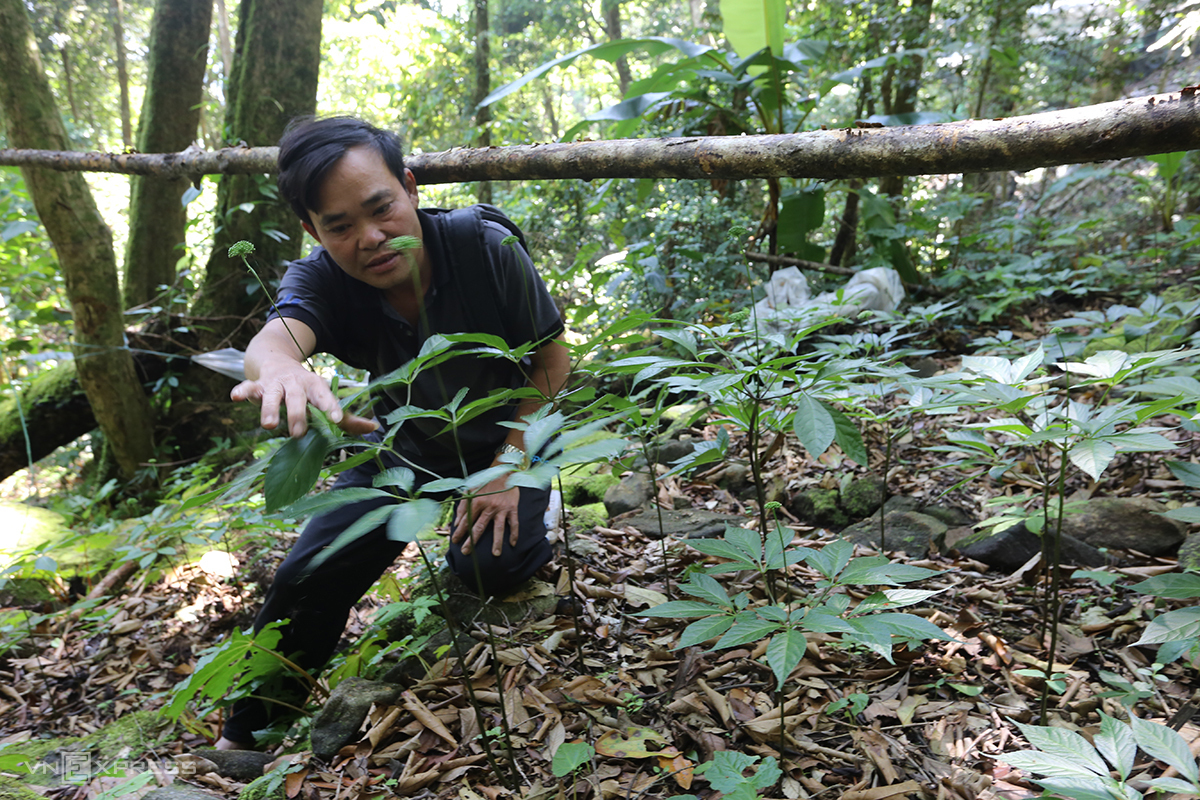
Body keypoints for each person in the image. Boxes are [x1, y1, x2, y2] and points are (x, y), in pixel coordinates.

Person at [214, 116, 569, 750]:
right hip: (406, 447)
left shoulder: (483, 246)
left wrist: (506, 469)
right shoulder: (320, 277)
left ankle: (542, 515)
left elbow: (550, 363)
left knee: (488, 564)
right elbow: (276, 339)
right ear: (314, 230)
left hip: (512, 436)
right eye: (339, 226)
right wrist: (277, 370)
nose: (371, 238)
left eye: (381, 208)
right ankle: (249, 734)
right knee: (310, 570)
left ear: (408, 186)